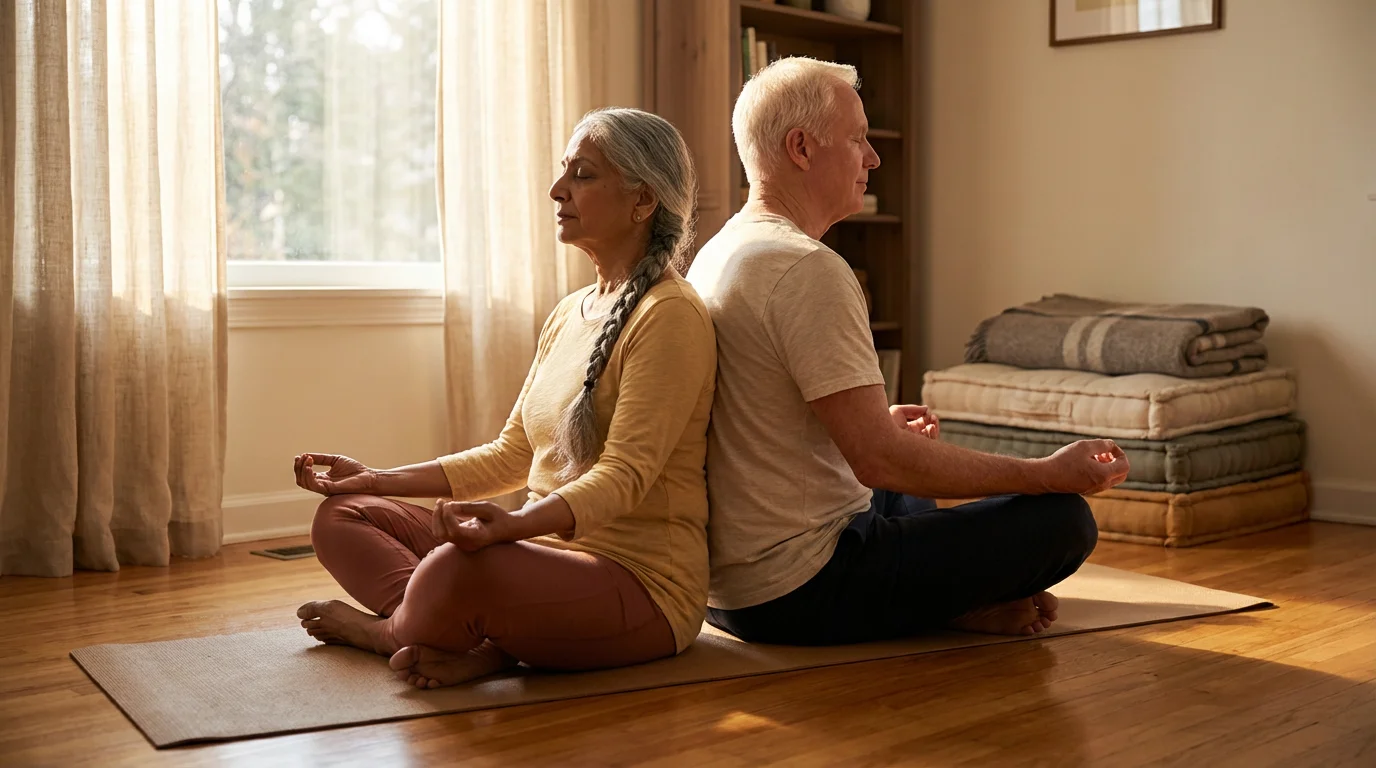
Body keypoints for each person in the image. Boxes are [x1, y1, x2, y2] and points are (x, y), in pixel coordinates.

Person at [685, 58, 1130, 647]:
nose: (872, 157)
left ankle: (955, 601)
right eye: (857, 139)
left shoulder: (721, 251)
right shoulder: (807, 268)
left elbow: (760, 417)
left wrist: (875, 427)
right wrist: (1043, 475)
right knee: (1062, 521)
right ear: (801, 147)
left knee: (911, 468)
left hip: (726, 591)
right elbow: (878, 463)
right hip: (800, 590)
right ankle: (957, 597)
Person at [293, 107, 716, 688]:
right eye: (563, 172)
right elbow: (510, 454)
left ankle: (388, 633)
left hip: (641, 586)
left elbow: (624, 476)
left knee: (454, 570)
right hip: (538, 559)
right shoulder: (570, 313)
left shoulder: (670, 316)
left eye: (583, 175)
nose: (556, 190)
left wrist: (510, 530)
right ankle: (479, 641)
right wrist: (371, 479)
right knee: (342, 517)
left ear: (642, 201)